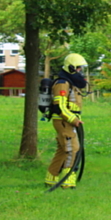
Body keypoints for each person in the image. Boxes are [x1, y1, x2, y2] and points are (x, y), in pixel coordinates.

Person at [45, 53, 88, 189]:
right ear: (71, 68)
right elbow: (59, 107)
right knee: (73, 149)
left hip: (68, 121)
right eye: (78, 68)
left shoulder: (70, 83)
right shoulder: (62, 84)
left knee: (63, 150)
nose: (80, 71)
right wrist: (73, 119)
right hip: (64, 121)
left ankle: (51, 178)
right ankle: (68, 180)